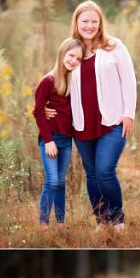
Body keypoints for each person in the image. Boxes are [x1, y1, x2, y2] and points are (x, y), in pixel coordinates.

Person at [68, 0, 136, 231]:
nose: (89, 25)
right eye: (84, 21)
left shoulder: (114, 46)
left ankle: (117, 221)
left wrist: (129, 114)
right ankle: (101, 221)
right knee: (92, 174)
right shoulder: (71, 51)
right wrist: (47, 104)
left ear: (100, 23)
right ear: (77, 22)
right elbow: (57, 80)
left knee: (105, 170)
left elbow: (129, 80)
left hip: (113, 121)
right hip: (82, 124)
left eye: (93, 21)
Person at [32, 38, 82, 227]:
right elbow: (37, 112)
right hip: (50, 140)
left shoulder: (73, 82)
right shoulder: (48, 81)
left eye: (78, 59)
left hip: (66, 141)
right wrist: (49, 140)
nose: (73, 61)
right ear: (62, 54)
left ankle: (60, 223)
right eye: (70, 56)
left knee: (61, 182)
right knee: (52, 181)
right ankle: (43, 223)